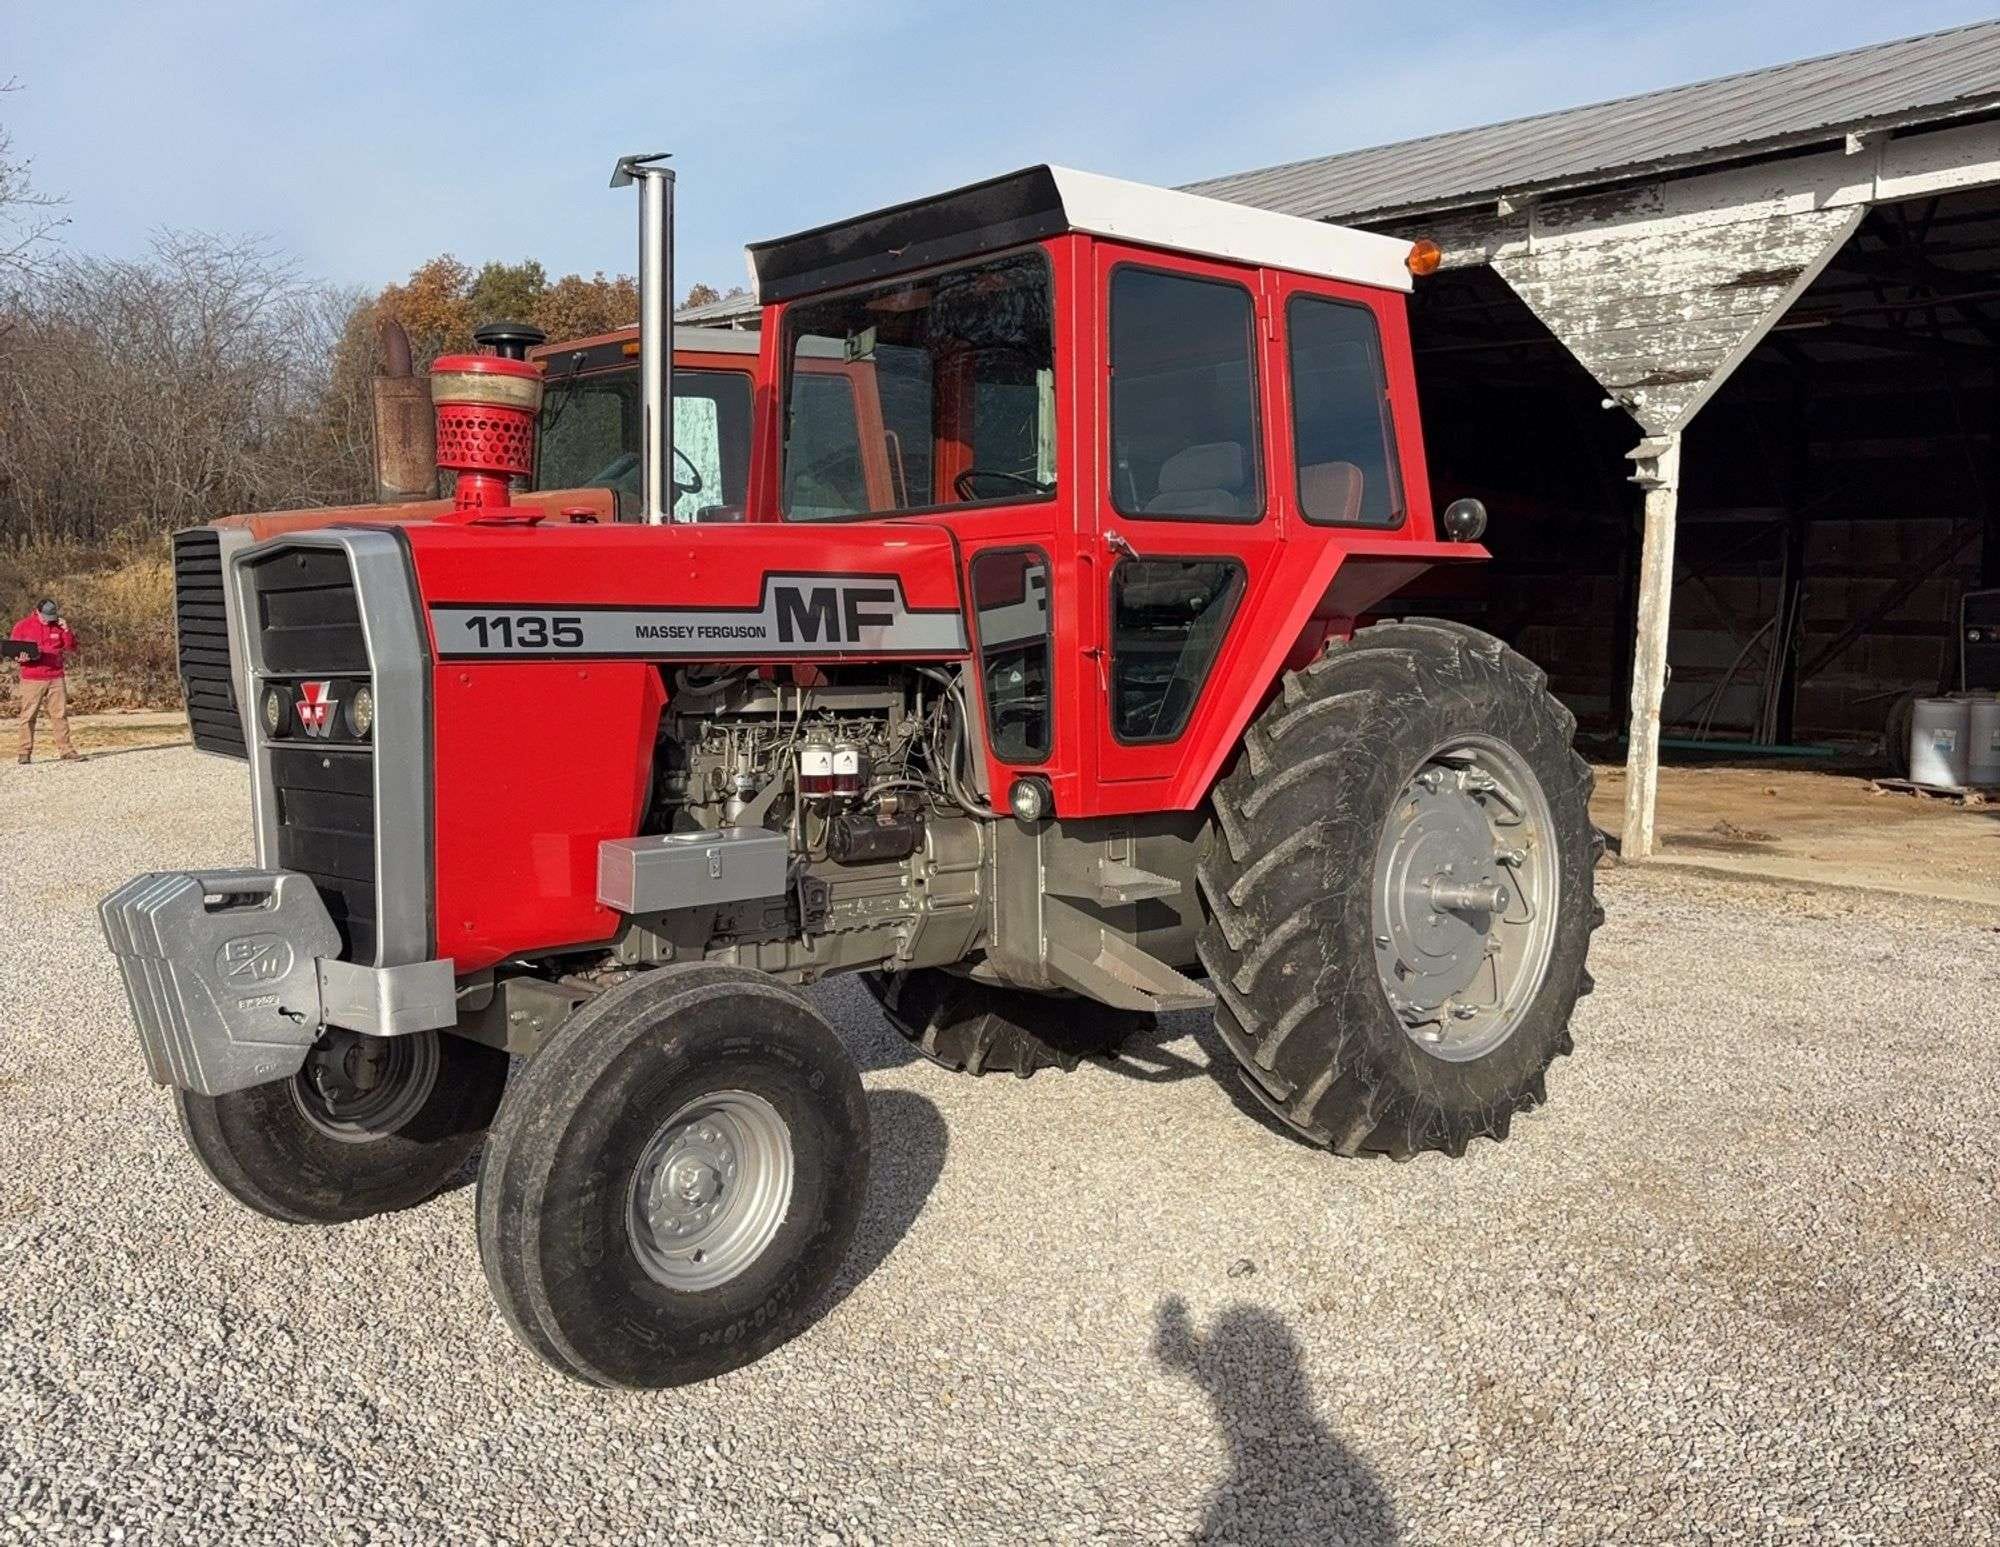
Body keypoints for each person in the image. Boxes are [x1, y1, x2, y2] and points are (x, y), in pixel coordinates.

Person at [11, 598, 81, 764]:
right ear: (37, 611)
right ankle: (24, 752)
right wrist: (21, 658)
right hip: (32, 678)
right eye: (45, 617)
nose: (49, 620)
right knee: (28, 716)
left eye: (52, 616)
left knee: (60, 714)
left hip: (56, 677)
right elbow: (12, 650)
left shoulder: (59, 625)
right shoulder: (23, 626)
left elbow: (72, 647)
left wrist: (67, 630)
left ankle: (66, 750)